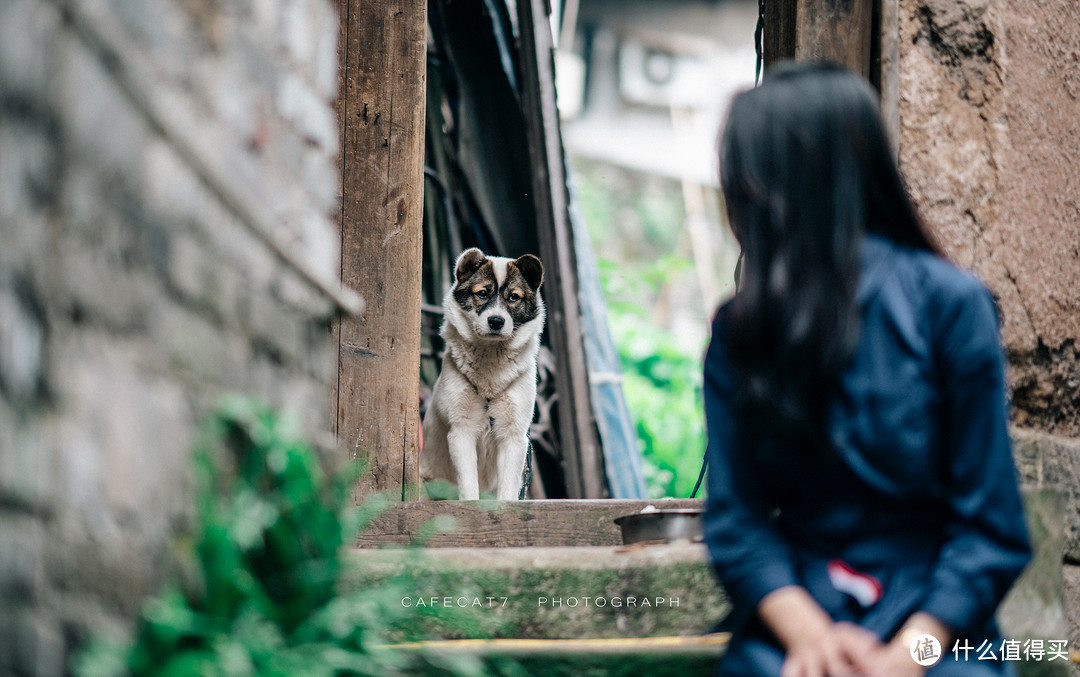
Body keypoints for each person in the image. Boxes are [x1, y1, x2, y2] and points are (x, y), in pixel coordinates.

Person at [703, 61, 1032, 677]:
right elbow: (738, 523)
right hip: (795, 623)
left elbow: (991, 532)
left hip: (943, 635)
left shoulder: (949, 307)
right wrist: (810, 639)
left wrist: (908, 657)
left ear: (758, 188)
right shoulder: (740, 331)